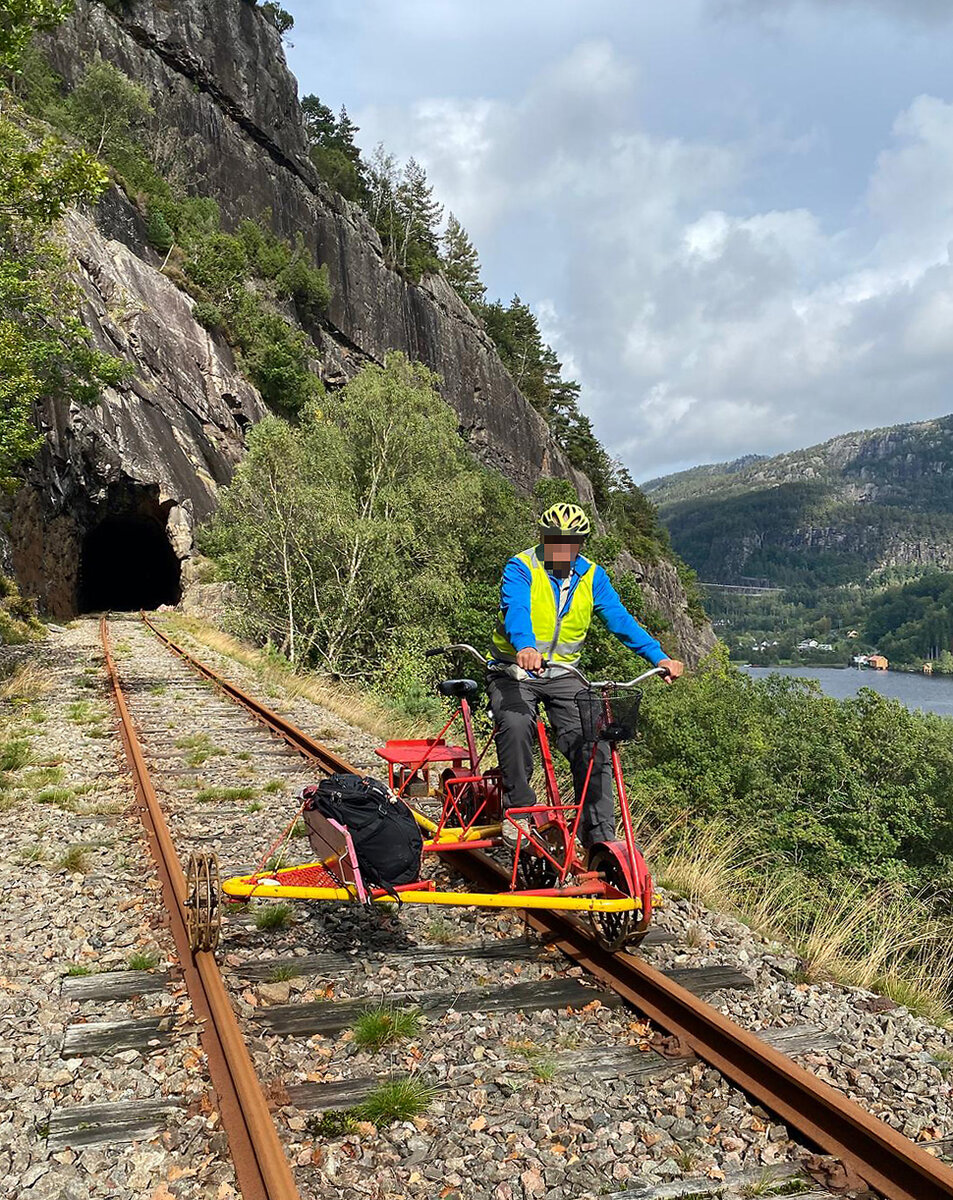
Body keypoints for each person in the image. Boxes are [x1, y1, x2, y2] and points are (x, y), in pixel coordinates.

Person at [487, 502, 684, 852]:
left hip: (564, 674)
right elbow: (516, 608)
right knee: (516, 724)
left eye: (571, 541)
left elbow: (620, 621)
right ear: (544, 537)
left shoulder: (593, 576)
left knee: (595, 740)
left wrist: (660, 656)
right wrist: (526, 646)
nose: (563, 547)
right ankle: (520, 811)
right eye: (555, 539)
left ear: (581, 542)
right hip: (514, 670)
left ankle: (599, 839)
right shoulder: (522, 567)